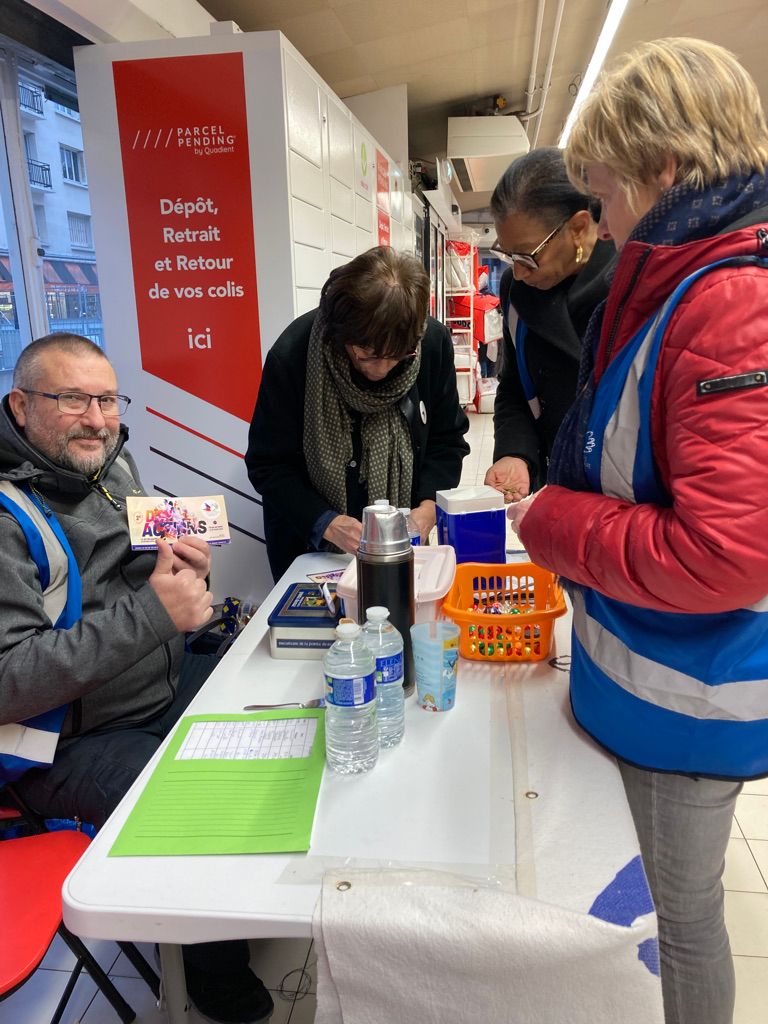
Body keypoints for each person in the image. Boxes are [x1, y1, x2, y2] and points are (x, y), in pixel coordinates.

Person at [508, 38, 768, 1024]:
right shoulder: (681, 278)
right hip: (650, 663)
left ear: (664, 170)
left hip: (693, 690)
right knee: (654, 899)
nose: (600, 219)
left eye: (606, 193)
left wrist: (552, 521)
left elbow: (725, 552)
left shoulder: (730, 302)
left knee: (683, 916)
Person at [0, 333, 274, 1024]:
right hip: (64, 742)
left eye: (107, 399)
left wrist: (185, 569)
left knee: (276, 701)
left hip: (153, 680)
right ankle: (214, 976)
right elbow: (9, 681)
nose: (96, 417)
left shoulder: (107, 463)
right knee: (193, 801)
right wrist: (157, 613)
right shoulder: (7, 519)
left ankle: (251, 894)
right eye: (71, 400)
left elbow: (142, 573)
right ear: (21, 406)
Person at [246, 246, 470, 581]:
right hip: (313, 550)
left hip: (401, 547)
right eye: (367, 354)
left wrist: (427, 508)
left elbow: (447, 440)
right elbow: (268, 464)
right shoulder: (295, 353)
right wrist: (328, 524)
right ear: (342, 335)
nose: (381, 369)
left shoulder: (431, 343)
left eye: (397, 356)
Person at [484, 147, 615, 501]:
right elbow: (513, 384)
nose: (518, 271)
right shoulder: (518, 290)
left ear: (579, 227)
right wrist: (516, 453)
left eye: (528, 255)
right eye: (508, 255)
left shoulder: (628, 289)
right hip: (556, 483)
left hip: (622, 498)